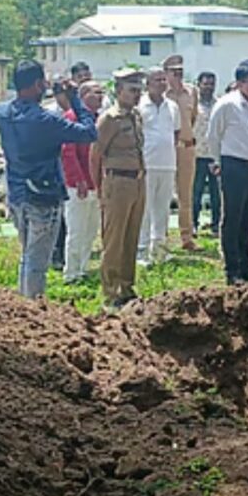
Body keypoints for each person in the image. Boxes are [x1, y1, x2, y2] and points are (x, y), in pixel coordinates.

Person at [0, 59, 97, 299]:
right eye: (42, 84)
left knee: (27, 254)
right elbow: (89, 132)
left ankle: (23, 302)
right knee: (38, 259)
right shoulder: (44, 121)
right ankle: (33, 309)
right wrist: (74, 99)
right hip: (43, 196)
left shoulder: (2, 112)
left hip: (17, 193)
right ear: (39, 84)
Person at [91, 68, 146, 309]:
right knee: (114, 239)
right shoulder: (109, 119)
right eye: (132, 90)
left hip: (136, 180)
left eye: (138, 90)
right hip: (117, 181)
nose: (137, 95)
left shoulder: (135, 116)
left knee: (131, 236)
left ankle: (127, 285)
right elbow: (96, 155)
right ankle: (110, 291)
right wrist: (99, 188)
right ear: (118, 91)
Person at [207, 60, 248, 284]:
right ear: (240, 83)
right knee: (233, 218)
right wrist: (215, 161)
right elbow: (214, 135)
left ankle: (246, 267)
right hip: (234, 165)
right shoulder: (226, 104)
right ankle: (232, 270)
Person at [60, 80, 104, 284]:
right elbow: (68, 153)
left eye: (102, 93)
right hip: (78, 185)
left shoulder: (99, 119)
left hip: (96, 182)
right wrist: (78, 180)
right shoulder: (72, 117)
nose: (100, 96)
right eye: (96, 93)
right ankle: (71, 272)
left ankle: (84, 267)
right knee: (76, 229)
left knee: (91, 228)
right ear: (83, 95)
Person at [137, 66, 181, 266]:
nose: (162, 83)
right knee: (144, 208)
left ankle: (160, 248)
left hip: (167, 163)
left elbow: (176, 133)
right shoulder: (139, 105)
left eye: (164, 79)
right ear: (147, 84)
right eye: (157, 80)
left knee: (162, 209)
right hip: (146, 163)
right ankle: (142, 250)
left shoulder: (172, 106)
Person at [163, 54, 200, 251]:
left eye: (180, 72)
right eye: (174, 72)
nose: (178, 76)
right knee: (164, 193)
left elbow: (192, 118)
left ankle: (187, 236)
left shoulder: (191, 91)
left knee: (186, 193)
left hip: (186, 146)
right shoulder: (162, 94)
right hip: (166, 148)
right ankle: (162, 238)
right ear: (166, 73)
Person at [192, 71, 220, 237]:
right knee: (196, 193)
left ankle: (216, 225)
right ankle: (193, 224)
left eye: (211, 84)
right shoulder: (193, 105)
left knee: (217, 195)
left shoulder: (220, 104)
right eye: (206, 84)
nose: (209, 87)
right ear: (199, 84)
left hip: (215, 155)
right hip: (197, 155)